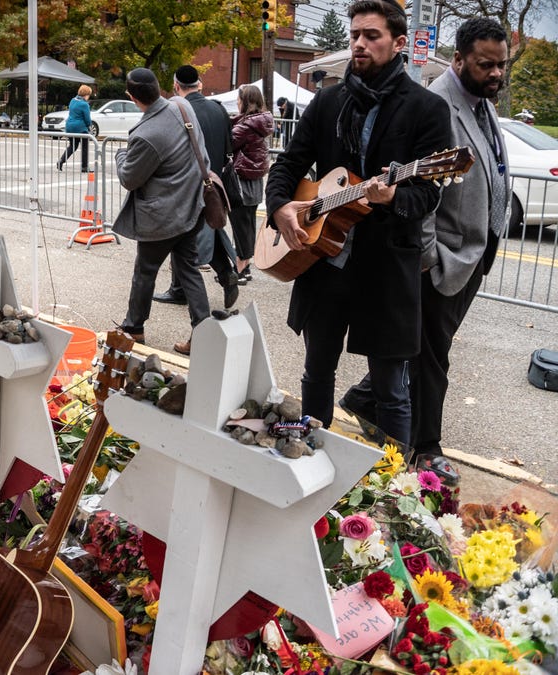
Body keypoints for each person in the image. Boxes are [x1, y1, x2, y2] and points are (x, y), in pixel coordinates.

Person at [265, 0, 451, 446]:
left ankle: (389, 484)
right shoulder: (329, 100)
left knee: (390, 387)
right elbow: (289, 165)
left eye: (372, 36)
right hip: (324, 259)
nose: (359, 45)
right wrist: (280, 208)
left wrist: (393, 197)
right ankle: (308, 455)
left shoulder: (426, 108)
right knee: (317, 371)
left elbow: (429, 192)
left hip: (386, 267)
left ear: (399, 42)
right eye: (354, 36)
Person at [339, 17, 510, 483]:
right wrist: (429, 257)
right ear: (458, 60)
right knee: (434, 356)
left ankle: (365, 398)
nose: (495, 73)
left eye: (501, 65)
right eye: (484, 64)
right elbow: (424, 189)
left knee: (427, 348)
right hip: (444, 258)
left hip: (473, 255)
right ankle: (426, 448)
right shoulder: (439, 104)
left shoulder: (482, 104)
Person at [113, 67, 211, 351]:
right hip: (192, 205)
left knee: (145, 271)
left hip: (162, 216)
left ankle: (134, 327)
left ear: (132, 97)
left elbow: (129, 178)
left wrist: (121, 155)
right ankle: (204, 333)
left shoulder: (147, 134)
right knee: (189, 269)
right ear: (159, 86)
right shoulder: (182, 107)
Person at [153, 64, 240, 352]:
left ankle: (181, 289)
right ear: (200, 84)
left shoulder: (178, 110)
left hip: (189, 181)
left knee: (185, 237)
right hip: (215, 181)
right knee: (206, 232)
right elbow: (231, 144)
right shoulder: (217, 109)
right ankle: (224, 273)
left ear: (176, 85)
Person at [229, 84, 274, 283]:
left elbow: (227, 142)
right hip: (255, 180)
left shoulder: (245, 127)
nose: (237, 102)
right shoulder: (260, 122)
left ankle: (239, 269)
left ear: (245, 101)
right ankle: (245, 267)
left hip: (241, 179)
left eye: (239, 99)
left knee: (240, 224)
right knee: (247, 225)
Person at [57, 84, 92, 172]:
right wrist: (89, 127)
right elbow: (87, 119)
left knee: (72, 146)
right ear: (86, 94)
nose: (89, 97)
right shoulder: (84, 104)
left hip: (70, 127)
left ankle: (61, 161)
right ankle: (84, 167)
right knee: (85, 147)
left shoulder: (73, 100)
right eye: (89, 95)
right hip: (80, 129)